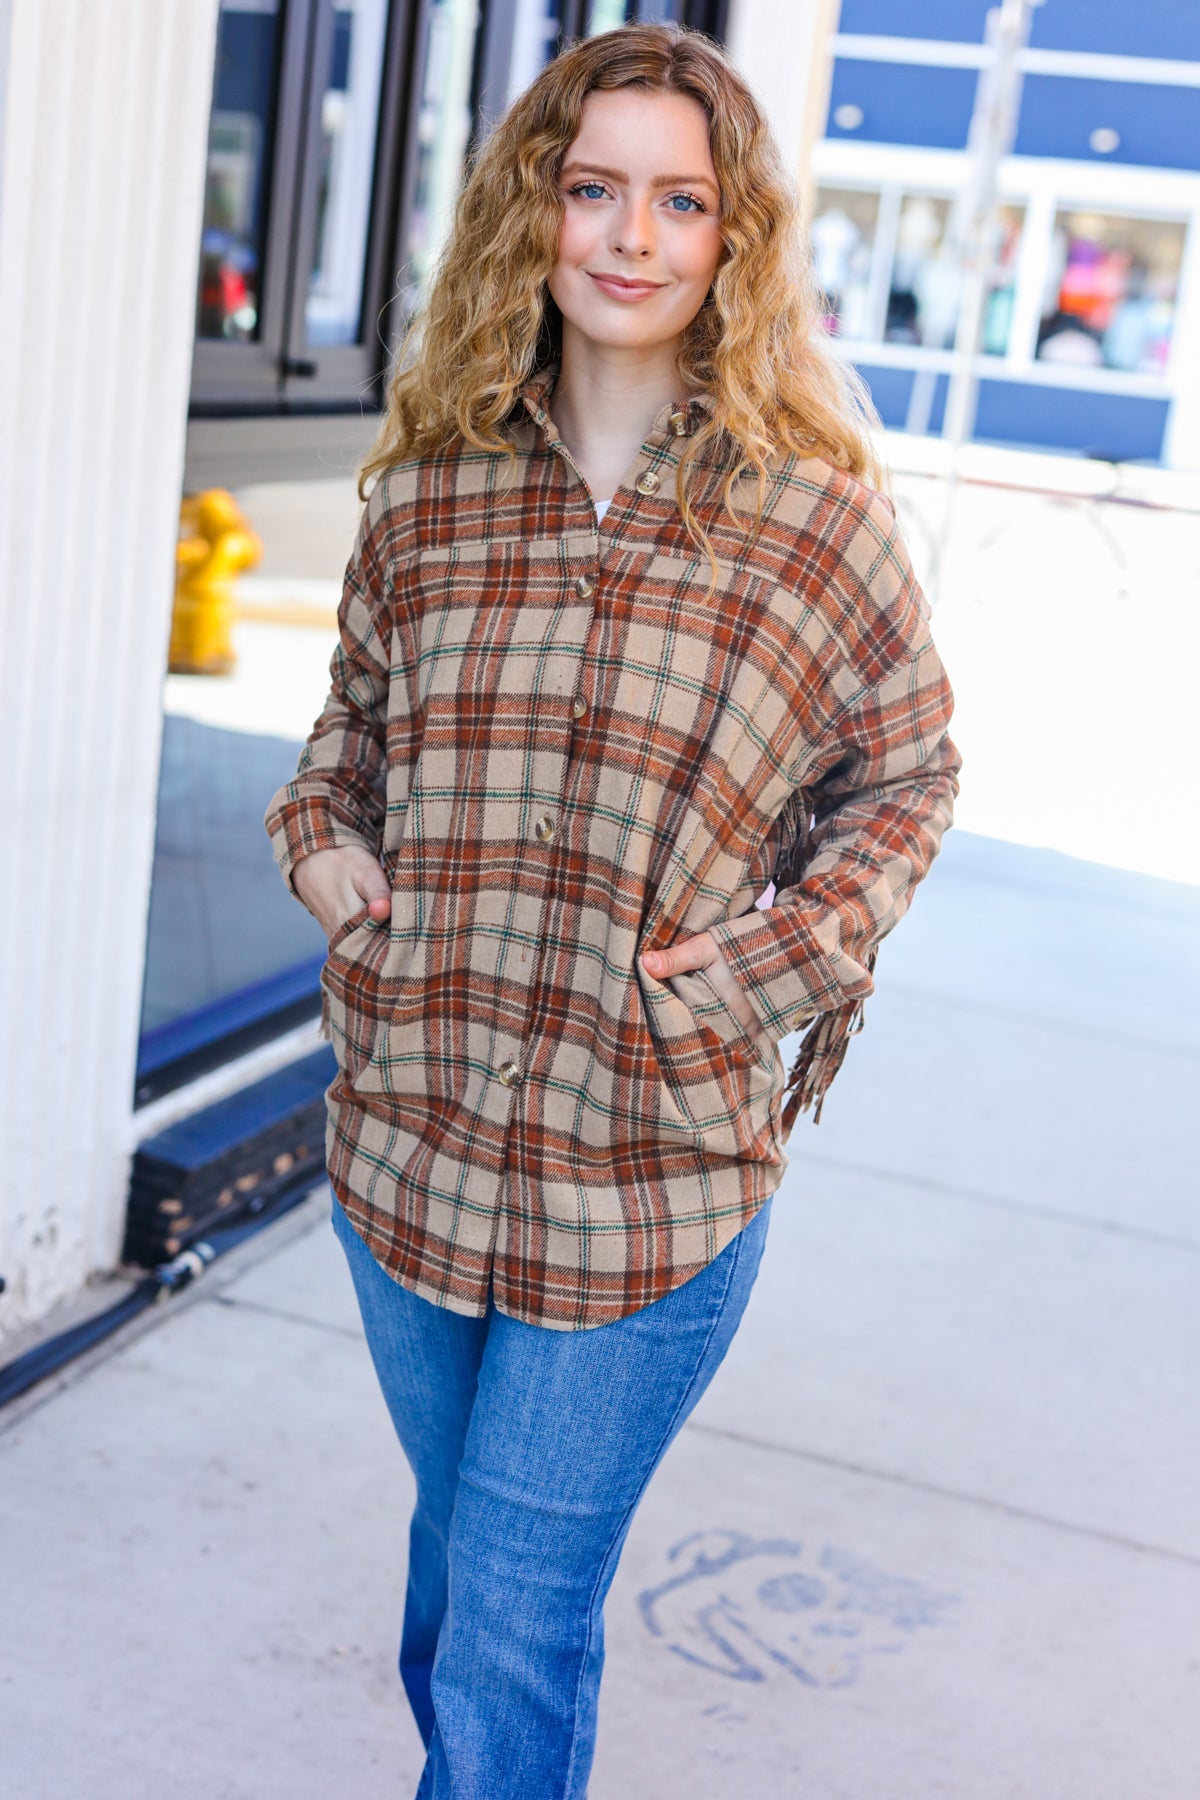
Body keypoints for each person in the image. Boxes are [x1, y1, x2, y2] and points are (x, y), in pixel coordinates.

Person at [264, 22, 959, 1797]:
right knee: (455, 1574)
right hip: (410, 1148)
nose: (631, 238)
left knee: (512, 1615)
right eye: (593, 191)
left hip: (644, 1183)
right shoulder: (427, 498)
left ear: (733, 241)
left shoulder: (814, 524)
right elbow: (347, 730)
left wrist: (763, 969)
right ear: (535, 215)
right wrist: (329, 854)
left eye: (679, 199)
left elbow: (907, 778)